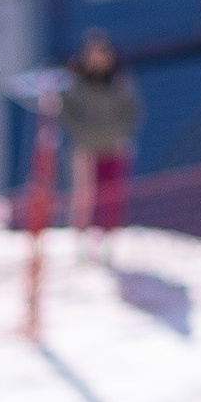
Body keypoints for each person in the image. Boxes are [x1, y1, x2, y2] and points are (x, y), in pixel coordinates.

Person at [59, 33, 140, 249]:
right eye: (93, 53)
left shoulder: (120, 82)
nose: (98, 58)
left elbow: (132, 113)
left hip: (114, 147)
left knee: (112, 196)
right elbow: (67, 114)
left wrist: (116, 134)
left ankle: (108, 242)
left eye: (103, 53)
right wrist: (86, 133)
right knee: (84, 198)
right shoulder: (76, 82)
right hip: (86, 148)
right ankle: (82, 243)